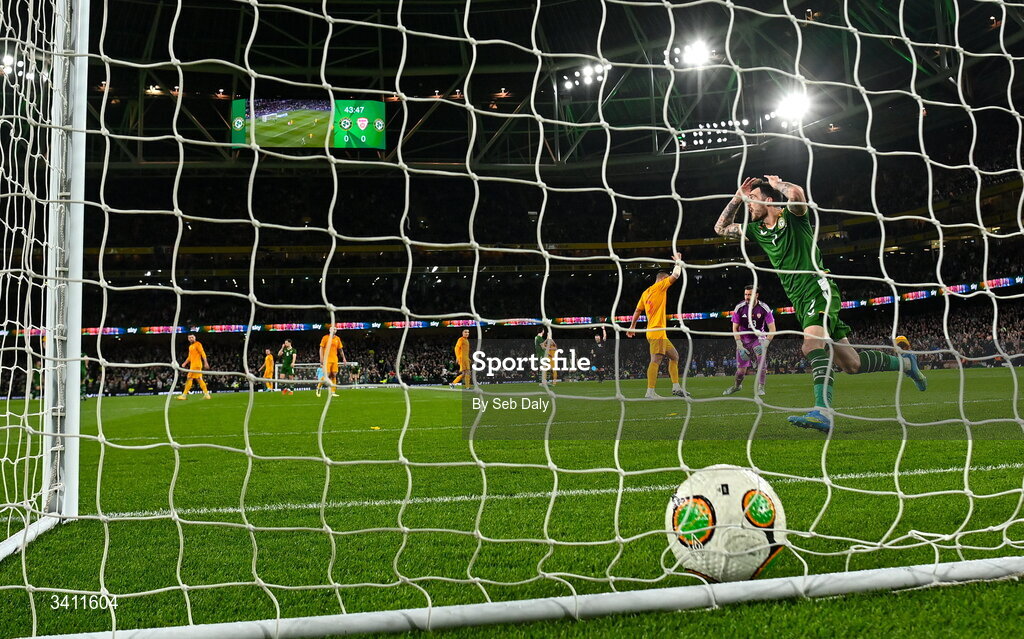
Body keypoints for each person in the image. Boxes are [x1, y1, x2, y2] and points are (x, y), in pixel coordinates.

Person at [714, 175, 927, 431]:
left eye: (754, 200)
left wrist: (776, 184)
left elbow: (797, 195)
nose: (749, 205)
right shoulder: (756, 231)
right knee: (851, 364)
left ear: (769, 201)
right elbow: (720, 228)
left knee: (810, 346)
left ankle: (822, 412)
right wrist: (739, 197)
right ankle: (906, 363)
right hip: (799, 299)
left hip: (817, 288)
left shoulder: (793, 218)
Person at [627, 252, 690, 399]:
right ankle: (650, 392)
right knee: (656, 360)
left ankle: (676, 387)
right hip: (656, 331)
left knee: (674, 356)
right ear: (662, 279)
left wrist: (632, 326)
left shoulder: (645, 293)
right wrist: (678, 262)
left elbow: (637, 310)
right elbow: (675, 276)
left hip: (657, 332)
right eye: (665, 279)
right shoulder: (660, 287)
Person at [723, 285, 776, 396]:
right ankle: (737, 386)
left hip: (758, 338)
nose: (747, 297)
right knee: (741, 372)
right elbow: (735, 328)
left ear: (756, 295)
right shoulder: (739, 307)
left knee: (761, 360)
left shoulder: (764, 308)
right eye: (746, 294)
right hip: (743, 340)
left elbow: (772, 329)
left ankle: (761, 387)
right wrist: (739, 344)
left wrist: (766, 343)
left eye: (750, 294)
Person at [176, 334, 211, 400]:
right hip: (194, 365)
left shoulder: (198, 344)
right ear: (188, 339)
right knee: (199, 379)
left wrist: (206, 362)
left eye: (192, 337)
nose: (191, 339)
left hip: (196, 365)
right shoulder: (190, 346)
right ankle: (207, 394)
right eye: (189, 338)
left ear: (195, 338)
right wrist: (184, 363)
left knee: (189, 378)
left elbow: (202, 353)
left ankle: (184, 395)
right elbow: (190, 357)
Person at [318, 325, 346, 397]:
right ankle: (319, 386)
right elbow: (321, 348)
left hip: (334, 359)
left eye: (335, 329)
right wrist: (321, 358)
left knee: (334, 375)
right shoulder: (325, 338)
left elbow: (340, 349)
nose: (334, 330)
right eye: (332, 329)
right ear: (329, 330)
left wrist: (344, 358)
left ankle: (333, 392)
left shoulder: (337, 339)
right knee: (327, 375)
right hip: (327, 359)